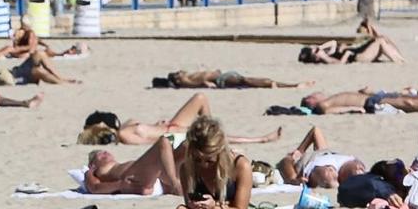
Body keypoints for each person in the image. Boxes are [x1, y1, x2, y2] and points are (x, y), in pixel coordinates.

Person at [153, 116, 254, 209]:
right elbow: (189, 207)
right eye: (198, 159)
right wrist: (196, 207)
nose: (203, 165)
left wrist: (215, 206)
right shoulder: (187, 169)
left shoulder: (240, 166)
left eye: (210, 160)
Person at [79, 95, 280, 148]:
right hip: (172, 134)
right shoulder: (123, 134)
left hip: (170, 126)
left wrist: (157, 124)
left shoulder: (124, 128)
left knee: (200, 98)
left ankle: (212, 127)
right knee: (223, 138)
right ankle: (261, 139)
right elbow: (151, 142)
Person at [274, 126, 364, 189]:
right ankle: (296, 154)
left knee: (286, 163)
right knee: (355, 170)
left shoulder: (301, 167)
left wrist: (293, 180)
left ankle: (295, 156)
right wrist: (299, 151)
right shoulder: (355, 165)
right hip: (327, 155)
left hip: (319, 160)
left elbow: (285, 163)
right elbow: (315, 130)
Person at [152, 68, 295, 90]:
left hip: (220, 77)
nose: (179, 73)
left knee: (246, 79)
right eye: (177, 75)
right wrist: (206, 83)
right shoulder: (183, 80)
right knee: (245, 80)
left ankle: (281, 84)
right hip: (219, 80)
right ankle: (285, 85)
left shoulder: (183, 76)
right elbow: (196, 84)